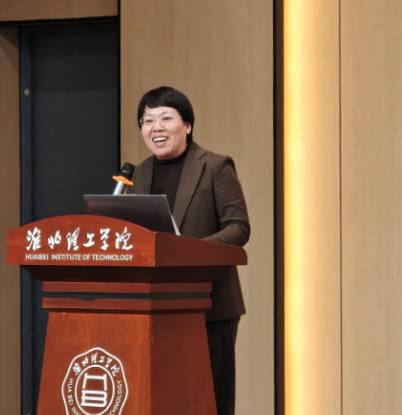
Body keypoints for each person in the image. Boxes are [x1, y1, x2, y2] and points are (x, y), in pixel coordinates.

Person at [127, 86, 250, 415]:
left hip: (210, 303)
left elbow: (238, 227)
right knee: (166, 399)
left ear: (188, 125)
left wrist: (187, 251)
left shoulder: (215, 166)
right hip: (155, 305)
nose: (156, 127)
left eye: (166, 118)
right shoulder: (140, 173)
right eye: (148, 120)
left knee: (209, 400)